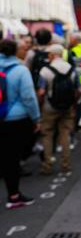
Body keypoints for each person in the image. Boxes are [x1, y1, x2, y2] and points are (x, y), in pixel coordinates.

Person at [0, 39, 40, 209]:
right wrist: (36, 118)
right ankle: (14, 196)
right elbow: (29, 98)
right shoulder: (20, 70)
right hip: (16, 119)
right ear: (16, 51)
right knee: (12, 159)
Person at [37, 44, 80, 175]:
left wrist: (40, 106)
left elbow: (41, 92)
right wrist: (73, 103)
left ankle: (47, 165)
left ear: (51, 55)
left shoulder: (45, 71)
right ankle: (65, 164)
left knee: (47, 134)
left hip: (49, 107)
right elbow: (78, 90)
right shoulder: (72, 70)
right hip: (67, 107)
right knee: (65, 134)